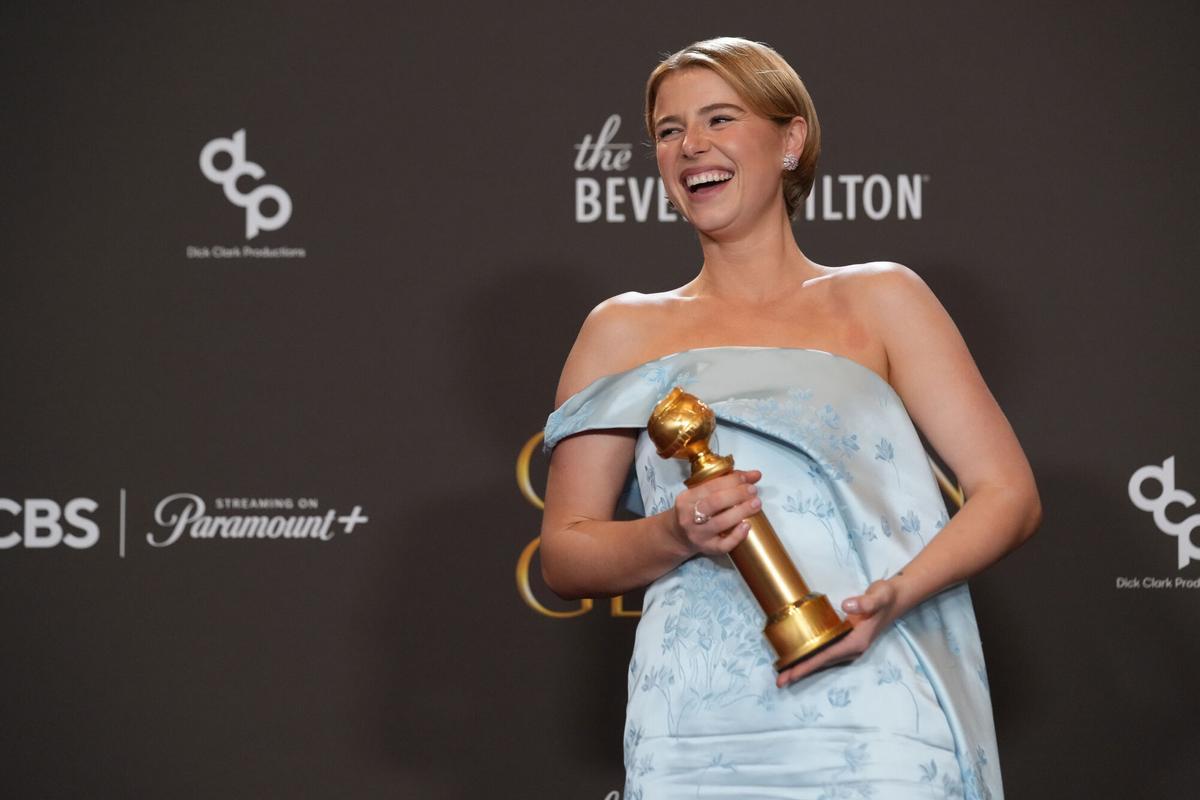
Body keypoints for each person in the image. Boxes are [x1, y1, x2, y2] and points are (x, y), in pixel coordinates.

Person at [540, 37, 1040, 800]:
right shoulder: (620, 330)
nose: (691, 146)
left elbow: (1008, 494)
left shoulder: (882, 300)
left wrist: (894, 597)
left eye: (718, 118)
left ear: (790, 139)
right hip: (696, 722)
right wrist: (673, 532)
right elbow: (565, 555)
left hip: (877, 701)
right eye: (669, 131)